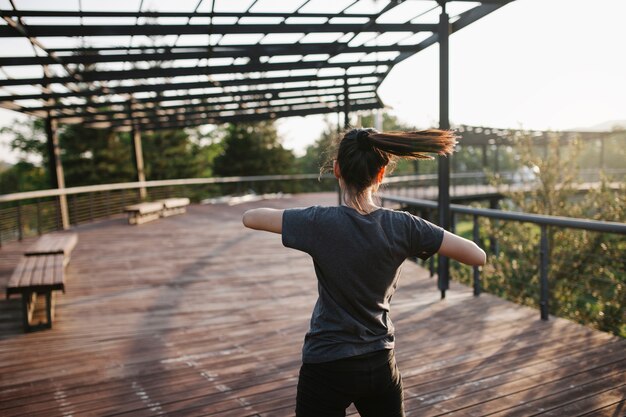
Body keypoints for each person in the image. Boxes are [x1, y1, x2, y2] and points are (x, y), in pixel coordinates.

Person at [242, 128, 486, 417]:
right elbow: (477, 255)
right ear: (381, 174)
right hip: (379, 363)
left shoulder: (320, 221)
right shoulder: (404, 226)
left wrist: (303, 217)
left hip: (327, 364)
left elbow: (251, 217)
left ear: (337, 170)